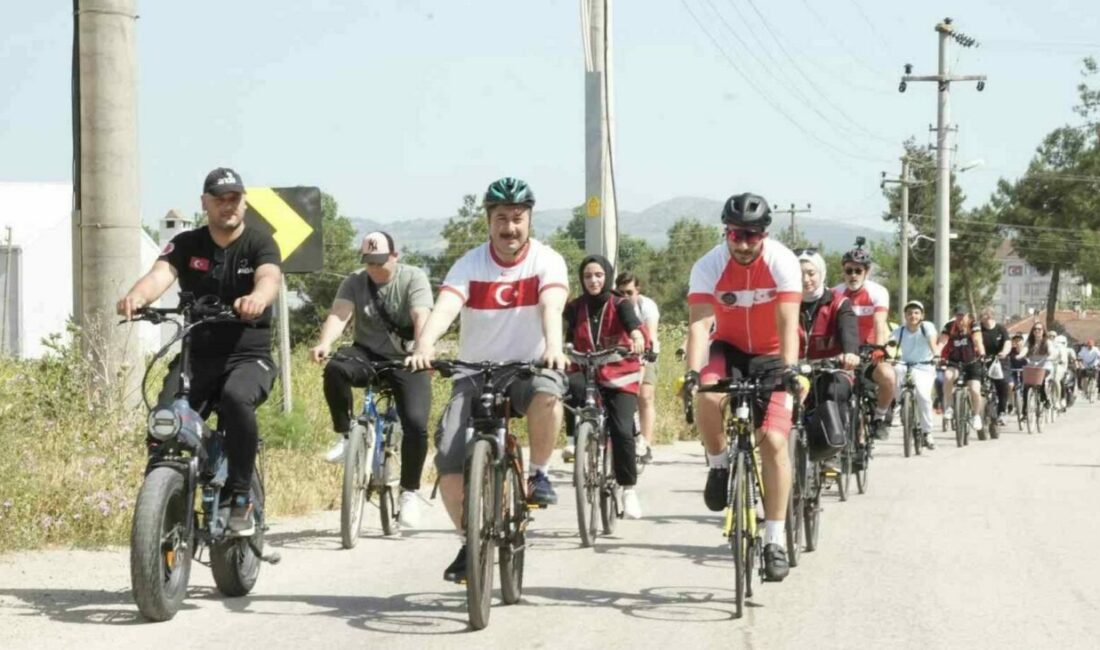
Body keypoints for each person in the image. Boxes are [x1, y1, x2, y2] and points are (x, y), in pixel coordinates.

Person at [406, 177, 569, 583]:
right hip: (474, 372)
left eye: (517, 218)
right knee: (448, 461)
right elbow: (445, 308)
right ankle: (470, 540)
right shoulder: (470, 264)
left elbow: (551, 306)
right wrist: (424, 345)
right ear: (488, 222)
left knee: (548, 393)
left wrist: (554, 347)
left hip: (527, 368)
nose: (509, 227)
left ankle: (539, 473)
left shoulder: (547, 260)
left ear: (529, 220)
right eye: (501, 219)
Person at [116, 168, 281, 534]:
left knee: (237, 399)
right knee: (164, 418)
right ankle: (164, 503)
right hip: (198, 357)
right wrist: (137, 296)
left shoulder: (260, 243)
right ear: (205, 203)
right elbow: (159, 275)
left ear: (244, 202)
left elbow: (269, 278)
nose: (228, 205)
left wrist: (257, 298)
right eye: (219, 199)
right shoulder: (187, 244)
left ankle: (240, 497)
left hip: (248, 356)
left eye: (234, 198)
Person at [683, 192, 801, 581]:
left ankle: (774, 539)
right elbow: (700, 324)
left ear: (764, 234)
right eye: (737, 235)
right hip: (728, 349)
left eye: (752, 236)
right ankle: (718, 465)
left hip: (772, 354)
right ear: (726, 233)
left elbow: (788, 323)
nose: (744, 244)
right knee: (707, 392)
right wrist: (692, 372)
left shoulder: (782, 262)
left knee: (774, 442)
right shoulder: (709, 265)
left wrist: (790, 369)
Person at [309, 231, 433, 528]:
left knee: (416, 423)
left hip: (406, 359)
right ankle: (346, 435)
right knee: (335, 368)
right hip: (367, 354)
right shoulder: (355, 280)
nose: (375, 268)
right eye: (369, 262)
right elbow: (340, 315)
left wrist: (422, 350)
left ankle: (409, 493)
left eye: (380, 261)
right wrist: (324, 342)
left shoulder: (413, 278)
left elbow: (421, 316)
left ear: (395, 256)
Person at [563, 255, 648, 519]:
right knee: (567, 385)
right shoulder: (575, 307)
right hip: (585, 368)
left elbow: (633, 324)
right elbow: (562, 332)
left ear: (607, 277)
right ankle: (574, 440)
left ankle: (628, 488)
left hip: (619, 372)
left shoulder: (620, 303)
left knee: (621, 429)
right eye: (588, 276)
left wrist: (636, 336)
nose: (593, 280)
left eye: (599, 275)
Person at [795, 249, 859, 465]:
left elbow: (848, 329)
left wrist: (850, 353)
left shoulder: (839, 303)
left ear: (821, 273)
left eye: (811, 273)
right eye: (799, 274)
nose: (805, 279)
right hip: (795, 369)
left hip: (831, 368)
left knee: (832, 390)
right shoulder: (785, 302)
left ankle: (832, 450)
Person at [832, 241, 895, 439]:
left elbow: (879, 323)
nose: (853, 275)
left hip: (870, 347)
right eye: (849, 270)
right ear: (843, 272)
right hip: (845, 349)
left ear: (866, 272)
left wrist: (879, 348)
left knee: (888, 376)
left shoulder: (878, 292)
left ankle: (880, 416)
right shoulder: (835, 293)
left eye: (858, 271)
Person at [616, 272, 660, 464]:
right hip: (622, 352)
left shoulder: (646, 306)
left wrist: (648, 352)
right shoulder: (614, 305)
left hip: (646, 350)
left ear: (637, 290)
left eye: (629, 292)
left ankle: (646, 443)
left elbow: (650, 334)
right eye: (621, 293)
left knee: (645, 395)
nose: (625, 297)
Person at [890, 301, 943, 449]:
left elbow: (933, 343)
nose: (913, 316)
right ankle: (898, 407)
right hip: (904, 364)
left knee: (923, 396)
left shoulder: (927, 327)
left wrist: (936, 355)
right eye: (909, 313)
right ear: (905, 316)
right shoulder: (899, 331)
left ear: (922, 315)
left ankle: (927, 432)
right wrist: (888, 356)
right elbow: (889, 345)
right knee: (893, 372)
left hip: (924, 366)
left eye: (916, 313)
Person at [939, 308, 986, 432]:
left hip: (972, 362)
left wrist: (982, 353)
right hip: (954, 362)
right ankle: (948, 407)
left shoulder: (973, 325)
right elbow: (942, 342)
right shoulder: (949, 326)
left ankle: (976, 415)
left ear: (967, 316)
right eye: (958, 316)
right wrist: (937, 354)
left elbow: (977, 340)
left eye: (963, 316)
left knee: (974, 389)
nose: (960, 319)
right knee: (948, 376)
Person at [979, 307, 1011, 426]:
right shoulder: (979, 330)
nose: (982, 318)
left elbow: (1007, 342)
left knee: (1003, 383)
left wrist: (1004, 352)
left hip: (1000, 360)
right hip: (983, 360)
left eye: (984, 315)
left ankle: (1002, 411)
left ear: (990, 316)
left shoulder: (1000, 329)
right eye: (982, 316)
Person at [1021, 322, 1053, 416]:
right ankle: (1025, 411)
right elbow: (1024, 350)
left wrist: (1049, 357)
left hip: (1044, 366)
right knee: (1026, 386)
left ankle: (1044, 399)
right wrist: (1020, 355)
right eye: (1035, 329)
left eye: (1039, 329)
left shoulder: (1047, 342)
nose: (1037, 331)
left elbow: (1051, 352)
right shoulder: (1029, 342)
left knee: (1041, 382)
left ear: (1043, 331)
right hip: (1032, 367)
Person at [1007, 333, 1028, 413]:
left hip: (1024, 372)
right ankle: (1011, 404)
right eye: (1015, 340)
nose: (1017, 342)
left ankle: (1025, 406)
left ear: (1023, 341)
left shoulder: (1026, 350)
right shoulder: (1011, 351)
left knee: (1026, 387)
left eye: (1019, 340)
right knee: (1010, 386)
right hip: (1013, 371)